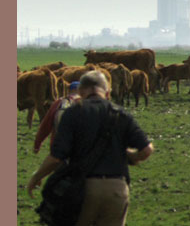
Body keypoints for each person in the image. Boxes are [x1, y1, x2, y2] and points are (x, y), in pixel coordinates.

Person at [27, 71, 154, 225]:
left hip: (84, 188)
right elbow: (147, 150)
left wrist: (36, 177)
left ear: (81, 92)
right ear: (107, 92)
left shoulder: (73, 113)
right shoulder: (121, 114)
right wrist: (130, 156)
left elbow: (56, 157)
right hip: (117, 188)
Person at [33, 81, 81, 154]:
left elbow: (45, 126)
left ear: (68, 90)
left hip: (58, 146)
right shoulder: (86, 103)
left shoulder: (59, 102)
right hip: (80, 148)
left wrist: (37, 144)